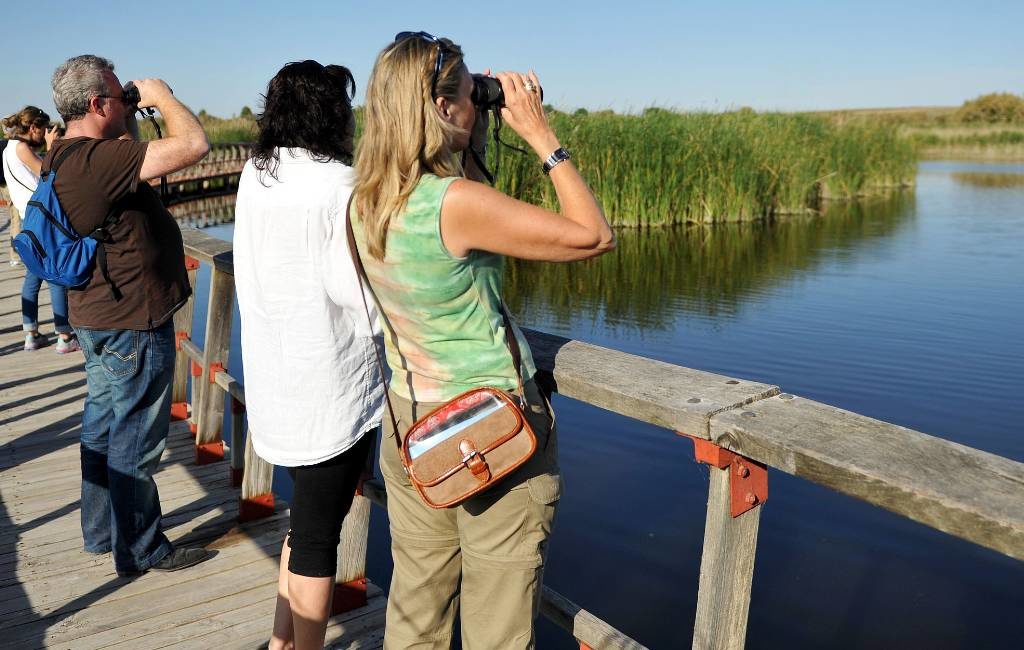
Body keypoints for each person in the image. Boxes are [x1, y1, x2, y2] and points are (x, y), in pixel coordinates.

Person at [351, 33, 615, 648]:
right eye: (474, 95)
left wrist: (471, 115)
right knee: (497, 628)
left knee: (417, 616)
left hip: (410, 424)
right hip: (491, 432)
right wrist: (540, 134)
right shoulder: (455, 204)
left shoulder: (366, 199)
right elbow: (592, 235)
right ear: (442, 109)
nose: (485, 101)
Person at [232, 60, 385, 650]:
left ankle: (281, 640)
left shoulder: (255, 174)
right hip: (329, 390)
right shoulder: (339, 185)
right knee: (320, 536)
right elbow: (354, 294)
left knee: (305, 523)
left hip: (276, 381)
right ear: (332, 115)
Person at [48, 54, 212, 576]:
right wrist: (162, 96)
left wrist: (127, 119)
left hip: (97, 315)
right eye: (120, 98)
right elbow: (193, 146)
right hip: (131, 324)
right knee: (136, 439)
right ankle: (141, 548)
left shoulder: (66, 156)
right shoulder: (97, 163)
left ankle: (100, 531)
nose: (129, 103)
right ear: (97, 104)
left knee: (101, 428)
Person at [1, 106, 80, 352]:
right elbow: (50, 175)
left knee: (34, 275)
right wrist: (52, 146)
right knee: (54, 273)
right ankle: (65, 336)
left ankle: (31, 333)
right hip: (41, 220)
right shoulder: (22, 148)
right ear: (33, 127)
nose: (45, 132)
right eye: (43, 128)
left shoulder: (8, 149)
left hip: (28, 218)